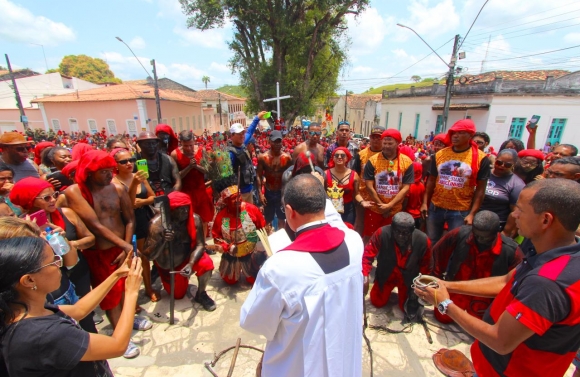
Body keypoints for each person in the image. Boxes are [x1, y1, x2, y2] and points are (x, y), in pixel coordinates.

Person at [415, 179, 580, 377]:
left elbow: (500, 341)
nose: (514, 215)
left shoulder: (547, 283)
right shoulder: (560, 255)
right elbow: (505, 281)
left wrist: (444, 303)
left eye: (520, 210)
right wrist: (446, 285)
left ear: (546, 220)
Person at [240, 174, 364, 376]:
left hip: (299, 366)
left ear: (289, 211)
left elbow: (252, 320)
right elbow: (335, 222)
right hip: (343, 358)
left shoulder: (280, 267)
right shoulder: (354, 242)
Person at [0, 236, 144, 375]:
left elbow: (79, 309)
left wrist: (117, 274)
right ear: (29, 280)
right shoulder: (47, 334)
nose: (59, 264)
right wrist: (131, 292)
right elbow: (117, 346)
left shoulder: (25, 311)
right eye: (53, 262)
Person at [63, 150, 150, 358]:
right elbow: (95, 225)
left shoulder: (118, 188)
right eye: (102, 172)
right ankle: (120, 336)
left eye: (110, 170)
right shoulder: (75, 192)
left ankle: (127, 322)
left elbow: (129, 219)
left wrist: (126, 246)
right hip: (101, 253)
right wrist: (125, 247)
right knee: (110, 296)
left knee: (126, 289)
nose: (108, 175)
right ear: (90, 173)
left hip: (122, 248)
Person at [10, 177, 98, 332]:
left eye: (55, 195)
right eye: (46, 198)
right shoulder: (21, 228)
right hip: (49, 279)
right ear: (29, 201)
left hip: (77, 271)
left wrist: (68, 243)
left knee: (86, 316)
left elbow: (90, 239)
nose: (53, 200)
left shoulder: (66, 213)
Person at [432, 210, 522, 324]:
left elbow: (517, 281)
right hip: (456, 286)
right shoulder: (461, 234)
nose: (479, 240)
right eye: (476, 235)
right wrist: (436, 276)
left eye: (484, 237)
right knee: (442, 317)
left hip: (484, 296)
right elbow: (439, 252)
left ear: (496, 232)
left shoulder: (511, 251)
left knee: (480, 326)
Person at [421, 119, 490, 244]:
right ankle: (432, 263)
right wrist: (425, 203)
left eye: (460, 133)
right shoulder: (440, 154)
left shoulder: (481, 158)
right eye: (453, 133)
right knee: (432, 240)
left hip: (461, 210)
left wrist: (472, 214)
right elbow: (431, 180)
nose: (455, 136)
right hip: (436, 207)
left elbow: (480, 190)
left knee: (456, 243)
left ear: (470, 135)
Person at [143, 191, 216, 310]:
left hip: (187, 259)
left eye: (187, 208)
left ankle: (201, 293)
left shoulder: (195, 219)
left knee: (206, 263)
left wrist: (190, 264)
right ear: (171, 210)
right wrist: (163, 240)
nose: (185, 212)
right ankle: (176, 281)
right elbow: (148, 256)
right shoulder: (157, 225)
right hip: (169, 266)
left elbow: (200, 245)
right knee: (178, 295)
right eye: (181, 210)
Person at [363, 212, 431, 321]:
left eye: (405, 233)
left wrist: (419, 288)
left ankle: (406, 295)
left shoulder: (423, 240)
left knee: (406, 309)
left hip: (408, 278)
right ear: (392, 228)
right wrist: (365, 276)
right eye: (397, 232)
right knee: (377, 302)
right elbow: (367, 256)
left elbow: (426, 266)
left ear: (412, 231)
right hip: (386, 274)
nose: (400, 236)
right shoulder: (381, 233)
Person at [111, 148, 159, 303]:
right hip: (126, 223)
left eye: (131, 160)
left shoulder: (139, 176)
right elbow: (128, 204)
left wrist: (143, 202)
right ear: (116, 164)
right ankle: (131, 296)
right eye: (123, 161)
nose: (129, 163)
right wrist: (134, 185)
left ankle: (148, 288)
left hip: (143, 219)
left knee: (144, 257)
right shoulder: (114, 182)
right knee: (131, 260)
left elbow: (153, 197)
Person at [211, 176, 267, 285]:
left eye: (238, 196)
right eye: (233, 198)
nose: (238, 200)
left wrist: (262, 248)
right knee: (229, 281)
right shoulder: (223, 217)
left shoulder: (250, 210)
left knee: (253, 280)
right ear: (226, 201)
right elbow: (217, 238)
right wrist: (228, 247)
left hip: (251, 253)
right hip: (232, 255)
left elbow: (262, 228)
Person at [363, 129, 414, 238]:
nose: (386, 146)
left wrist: (389, 206)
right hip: (375, 208)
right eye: (384, 143)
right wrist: (382, 206)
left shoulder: (407, 162)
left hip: (395, 210)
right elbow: (369, 186)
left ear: (397, 143)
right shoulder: (372, 160)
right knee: (370, 237)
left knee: (391, 240)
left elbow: (406, 188)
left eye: (390, 143)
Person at [171, 130, 213, 236]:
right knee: (189, 221)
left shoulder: (200, 150)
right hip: (186, 193)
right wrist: (189, 167)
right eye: (186, 146)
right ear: (180, 143)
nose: (189, 148)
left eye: (190, 145)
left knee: (203, 220)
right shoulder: (175, 154)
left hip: (200, 191)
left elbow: (207, 170)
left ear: (194, 142)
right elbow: (176, 176)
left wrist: (196, 166)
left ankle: (203, 245)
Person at [479, 149, 525, 234]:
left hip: (495, 226)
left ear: (513, 165)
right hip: (473, 220)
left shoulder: (516, 184)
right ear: (495, 160)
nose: (502, 166)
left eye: (507, 165)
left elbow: (515, 212)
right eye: (499, 162)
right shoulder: (483, 173)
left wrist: (506, 232)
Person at [352, 125, 384, 240]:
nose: (376, 139)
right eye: (373, 137)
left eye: (379, 137)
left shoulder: (387, 155)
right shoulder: (361, 155)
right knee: (360, 226)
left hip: (381, 199)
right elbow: (355, 176)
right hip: (363, 197)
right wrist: (356, 197)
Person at [256, 130, 293, 230]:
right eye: (275, 141)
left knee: (282, 219)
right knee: (268, 219)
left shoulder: (287, 158)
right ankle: (269, 241)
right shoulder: (263, 158)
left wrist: (288, 193)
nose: (277, 144)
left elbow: (291, 177)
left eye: (279, 142)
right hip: (269, 192)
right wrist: (260, 193)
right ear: (269, 142)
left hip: (281, 192)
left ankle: (281, 243)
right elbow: (258, 176)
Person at [228, 111, 267, 204]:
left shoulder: (242, 144)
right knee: (244, 217)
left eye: (243, 133)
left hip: (249, 191)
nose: (242, 136)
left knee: (249, 215)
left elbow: (250, 131)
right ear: (232, 136)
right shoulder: (230, 153)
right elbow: (227, 177)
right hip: (239, 194)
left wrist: (257, 118)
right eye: (239, 134)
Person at [324, 147, 364, 226]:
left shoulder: (354, 175)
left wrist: (362, 202)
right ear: (333, 158)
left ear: (347, 158)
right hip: (330, 210)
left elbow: (356, 194)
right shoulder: (325, 174)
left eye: (342, 155)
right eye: (337, 155)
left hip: (348, 210)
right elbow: (322, 193)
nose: (339, 157)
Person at [134, 132, 181, 196]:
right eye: (147, 144)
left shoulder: (168, 159)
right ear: (139, 145)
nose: (151, 146)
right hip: (146, 201)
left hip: (168, 198)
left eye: (153, 143)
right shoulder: (134, 161)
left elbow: (178, 182)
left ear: (157, 144)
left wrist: (173, 195)